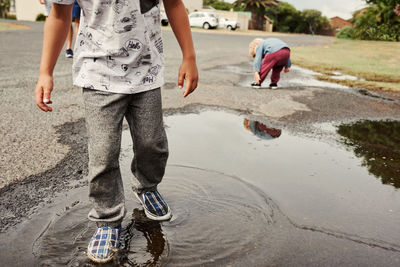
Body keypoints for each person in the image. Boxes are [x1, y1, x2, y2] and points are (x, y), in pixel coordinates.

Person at [34, 0, 198, 263]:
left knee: (152, 144)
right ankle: (107, 220)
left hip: (146, 69)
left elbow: (175, 4)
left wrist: (189, 56)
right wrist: (45, 72)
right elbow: (59, 15)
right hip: (97, 71)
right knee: (103, 153)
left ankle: (146, 187)